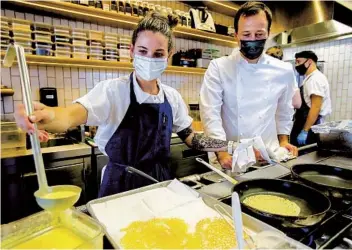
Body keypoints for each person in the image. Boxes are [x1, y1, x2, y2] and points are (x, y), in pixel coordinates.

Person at [15, 13, 237, 198]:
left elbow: (193, 138)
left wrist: (230, 146)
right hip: (120, 186)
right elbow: (69, 115)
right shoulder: (112, 91)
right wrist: (48, 115)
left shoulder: (172, 97)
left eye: (158, 54)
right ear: (131, 51)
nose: (150, 58)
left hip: (160, 184)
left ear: (168, 56)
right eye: (143, 51)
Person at [199, 1, 298, 169]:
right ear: (236, 35)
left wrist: (284, 141)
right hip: (230, 157)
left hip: (270, 156)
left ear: (269, 33)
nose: (252, 40)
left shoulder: (284, 70)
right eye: (246, 34)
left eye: (259, 34)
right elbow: (210, 114)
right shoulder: (219, 67)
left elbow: (285, 110)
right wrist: (222, 153)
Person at [290, 50, 332, 146]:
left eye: (299, 62)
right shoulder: (310, 78)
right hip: (305, 122)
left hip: (309, 126)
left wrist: (305, 130)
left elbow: (315, 107)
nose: (297, 66)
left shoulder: (315, 79)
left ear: (309, 62)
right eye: (296, 63)